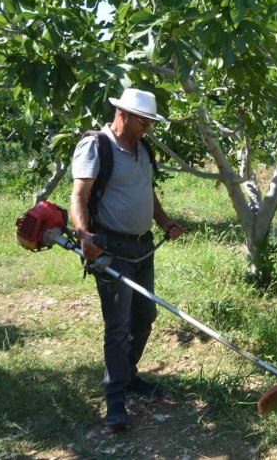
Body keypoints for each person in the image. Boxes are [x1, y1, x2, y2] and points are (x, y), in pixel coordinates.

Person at [70, 87, 186, 433]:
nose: (148, 126)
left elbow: (145, 191)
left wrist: (164, 221)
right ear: (124, 115)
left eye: (150, 121)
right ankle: (116, 399)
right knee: (117, 325)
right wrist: (83, 235)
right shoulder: (97, 146)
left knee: (145, 315)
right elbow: (79, 194)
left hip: (143, 247)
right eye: (144, 120)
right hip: (111, 249)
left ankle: (128, 374)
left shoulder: (142, 149)